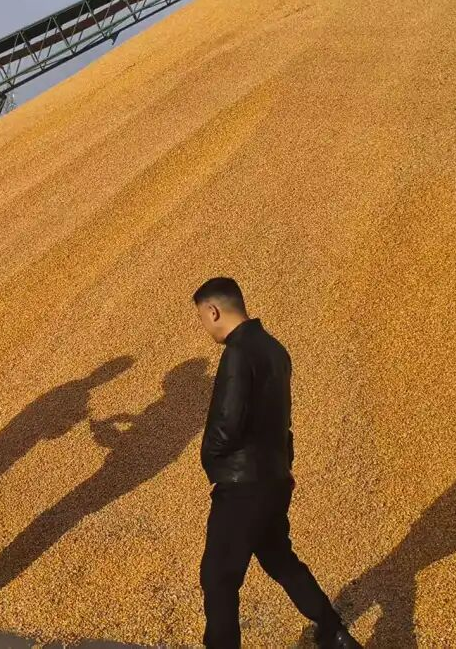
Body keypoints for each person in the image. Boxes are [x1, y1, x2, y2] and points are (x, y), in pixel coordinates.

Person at [193, 277, 360, 648]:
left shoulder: (237, 352)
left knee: (219, 577)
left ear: (213, 311)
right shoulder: (275, 349)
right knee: (278, 558)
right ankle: (333, 632)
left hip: (242, 485)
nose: (204, 326)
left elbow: (227, 421)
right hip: (274, 478)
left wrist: (211, 457)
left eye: (202, 318)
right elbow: (282, 420)